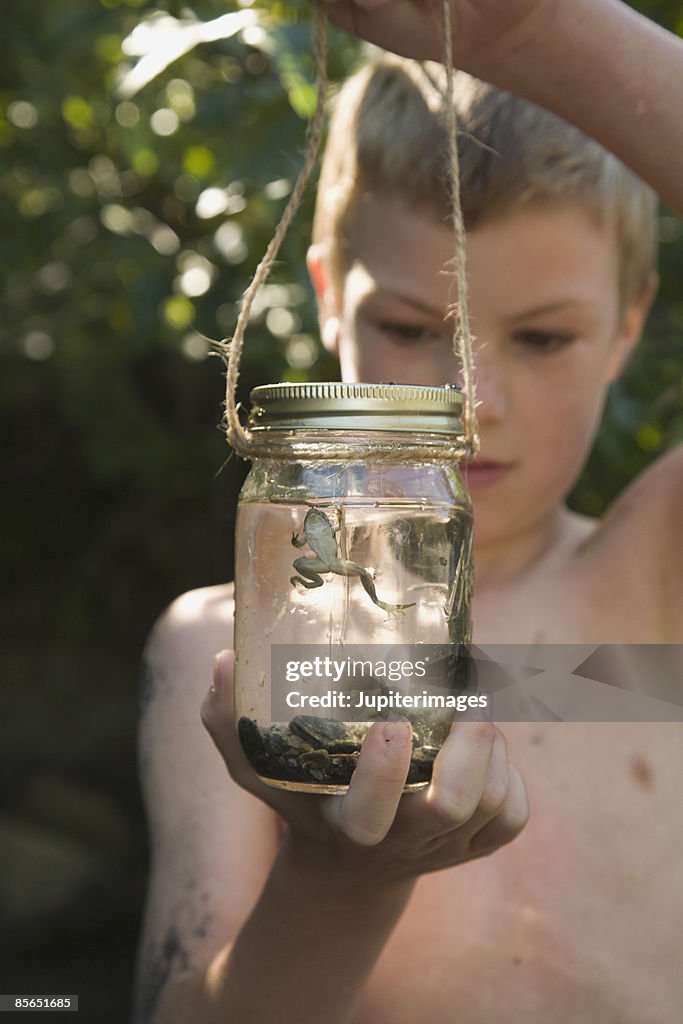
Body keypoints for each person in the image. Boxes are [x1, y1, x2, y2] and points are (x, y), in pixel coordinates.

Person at [133, 4, 683, 1022]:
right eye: (406, 326)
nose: (471, 399)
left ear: (626, 324)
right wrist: (337, 880)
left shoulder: (657, 583)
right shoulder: (229, 646)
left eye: (542, 338)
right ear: (328, 298)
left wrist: (533, 33)